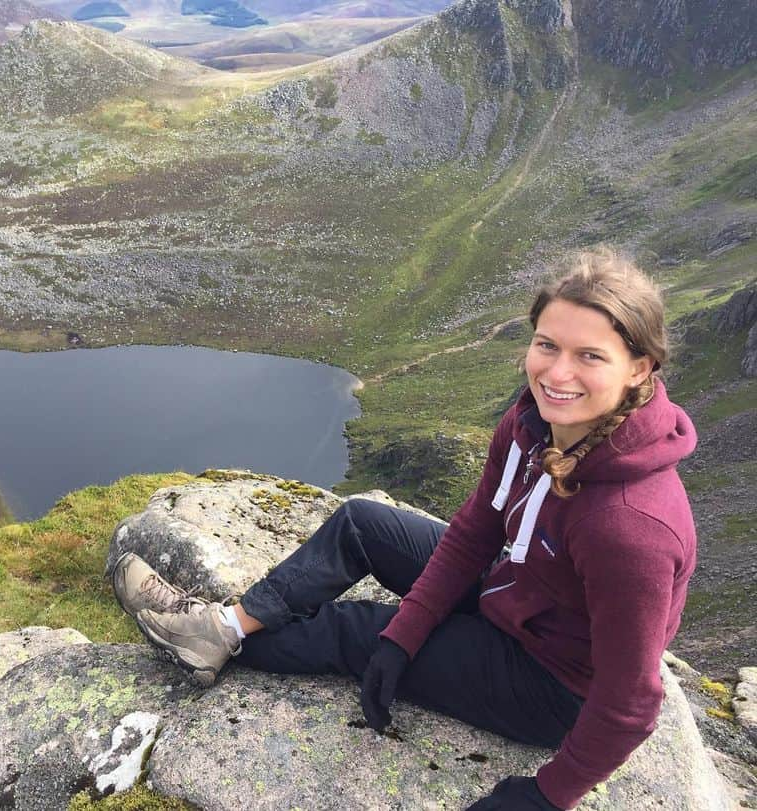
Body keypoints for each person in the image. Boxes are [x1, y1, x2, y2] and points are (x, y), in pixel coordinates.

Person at [111, 247, 697, 811]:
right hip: (511, 592)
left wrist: (546, 796)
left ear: (639, 367)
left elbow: (630, 703)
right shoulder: (531, 425)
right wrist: (413, 628)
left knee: (357, 630)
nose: (557, 371)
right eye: (547, 344)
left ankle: (220, 646)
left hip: (551, 681)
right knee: (362, 523)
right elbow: (474, 532)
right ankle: (220, 627)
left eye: (590, 356)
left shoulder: (628, 527)